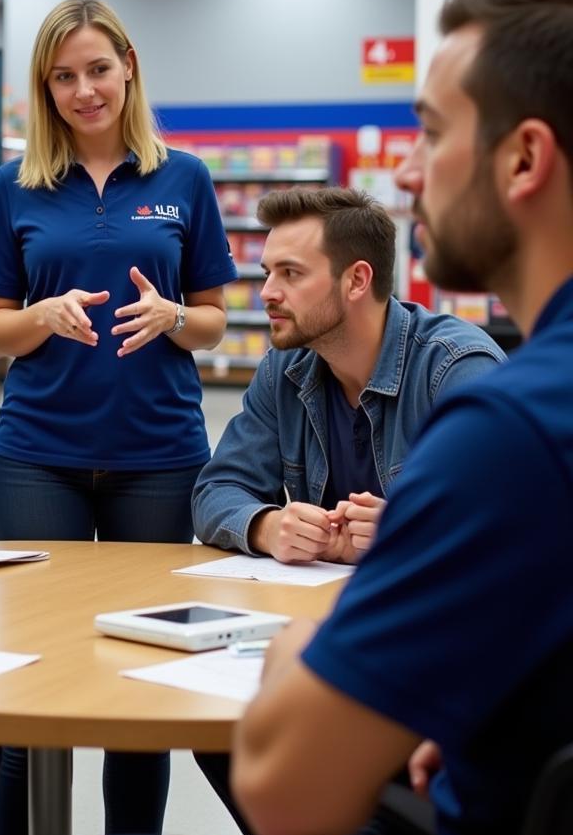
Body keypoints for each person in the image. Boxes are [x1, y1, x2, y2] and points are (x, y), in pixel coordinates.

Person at [230, 0, 573, 835]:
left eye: (430, 131)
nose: (410, 172)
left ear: (524, 158)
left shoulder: (506, 425)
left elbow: (283, 792)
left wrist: (297, 648)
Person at [0, 0, 237, 835]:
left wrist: (172, 320)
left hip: (159, 453)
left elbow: (214, 319)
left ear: (127, 67)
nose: (84, 90)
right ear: (45, 90)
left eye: (97, 70)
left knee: (141, 682)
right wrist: (41, 316)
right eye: (63, 77)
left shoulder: (182, 177)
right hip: (37, 455)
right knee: (30, 675)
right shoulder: (14, 186)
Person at [192, 186, 503, 566]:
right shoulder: (283, 371)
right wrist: (268, 527)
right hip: (324, 604)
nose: (268, 292)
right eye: (267, 273)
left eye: (290, 273)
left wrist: (410, 530)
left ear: (357, 280)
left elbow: (514, 517)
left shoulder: (455, 370)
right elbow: (216, 490)